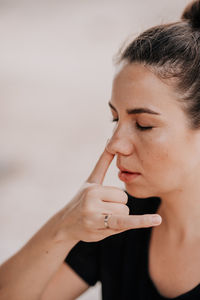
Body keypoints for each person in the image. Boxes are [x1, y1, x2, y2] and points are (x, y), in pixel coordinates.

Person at [1, 0, 200, 299]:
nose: (115, 144)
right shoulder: (118, 221)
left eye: (143, 124)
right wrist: (63, 229)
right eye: (115, 119)